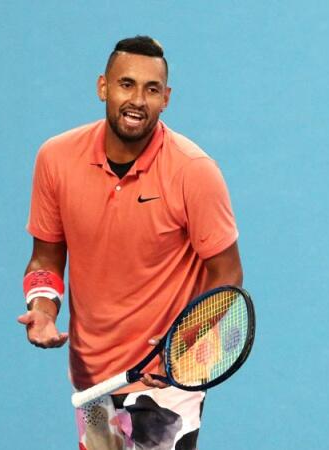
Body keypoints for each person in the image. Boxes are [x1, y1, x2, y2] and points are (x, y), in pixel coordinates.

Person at [16, 36, 243, 450]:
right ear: (103, 87)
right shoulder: (56, 159)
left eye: (151, 89)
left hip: (165, 383)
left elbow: (227, 274)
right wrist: (43, 310)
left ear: (166, 99)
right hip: (93, 378)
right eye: (126, 84)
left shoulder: (193, 171)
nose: (137, 100)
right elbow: (45, 258)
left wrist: (180, 343)